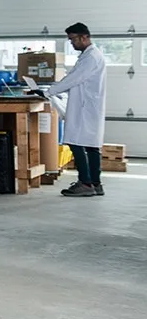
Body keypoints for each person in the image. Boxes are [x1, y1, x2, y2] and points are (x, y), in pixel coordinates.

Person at [38, 22, 106, 197]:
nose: (72, 43)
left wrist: (48, 92)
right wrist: (55, 90)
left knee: (75, 141)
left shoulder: (91, 57)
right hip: (87, 105)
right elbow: (74, 80)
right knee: (91, 145)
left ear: (84, 37)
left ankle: (86, 183)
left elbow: (74, 79)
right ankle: (96, 184)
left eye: (73, 39)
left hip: (84, 107)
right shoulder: (89, 55)